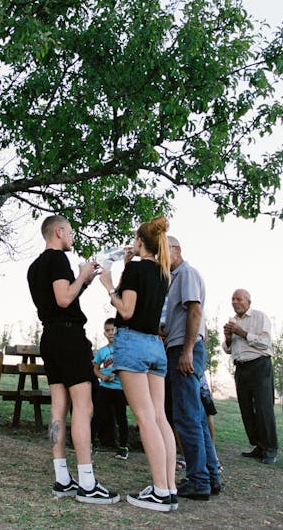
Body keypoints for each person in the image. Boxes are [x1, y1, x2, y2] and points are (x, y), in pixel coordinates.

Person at [27, 215, 120, 504]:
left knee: (59, 408)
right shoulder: (57, 260)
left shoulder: (34, 267)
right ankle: (88, 483)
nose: (73, 237)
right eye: (70, 232)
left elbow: (63, 296)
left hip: (51, 338)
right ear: (59, 231)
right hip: (69, 338)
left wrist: (85, 280)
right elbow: (65, 300)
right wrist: (81, 274)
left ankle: (62, 479)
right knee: (84, 406)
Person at [99, 216, 179, 512]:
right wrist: (126, 267)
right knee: (159, 417)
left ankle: (158, 492)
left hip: (132, 344)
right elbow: (142, 296)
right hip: (154, 347)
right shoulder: (163, 273)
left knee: (145, 418)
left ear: (139, 242)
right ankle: (168, 488)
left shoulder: (134, 270)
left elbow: (127, 310)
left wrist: (109, 285)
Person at [162, 235, 221, 500]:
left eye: (164, 251)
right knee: (194, 415)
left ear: (177, 250)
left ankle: (198, 481)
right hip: (177, 345)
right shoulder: (174, 278)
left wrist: (187, 350)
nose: (161, 256)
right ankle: (210, 476)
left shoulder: (186, 274)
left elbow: (195, 312)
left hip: (185, 349)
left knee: (185, 416)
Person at [223, 288, 279, 464]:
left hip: (259, 365)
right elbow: (227, 349)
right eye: (232, 299)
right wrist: (228, 337)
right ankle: (259, 445)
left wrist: (242, 333)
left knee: (263, 408)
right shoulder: (232, 321)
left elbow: (265, 343)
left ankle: (270, 448)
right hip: (241, 367)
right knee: (246, 409)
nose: (235, 302)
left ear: (248, 302)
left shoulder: (259, 317)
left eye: (239, 299)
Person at [91, 319, 129, 460]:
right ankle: (90, 442)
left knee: (121, 418)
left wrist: (117, 373)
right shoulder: (103, 351)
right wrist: (103, 377)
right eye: (108, 330)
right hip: (105, 388)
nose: (111, 333)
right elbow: (95, 368)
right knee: (98, 415)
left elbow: (127, 365)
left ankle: (123, 447)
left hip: (120, 388)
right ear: (104, 333)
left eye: (113, 330)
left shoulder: (123, 350)